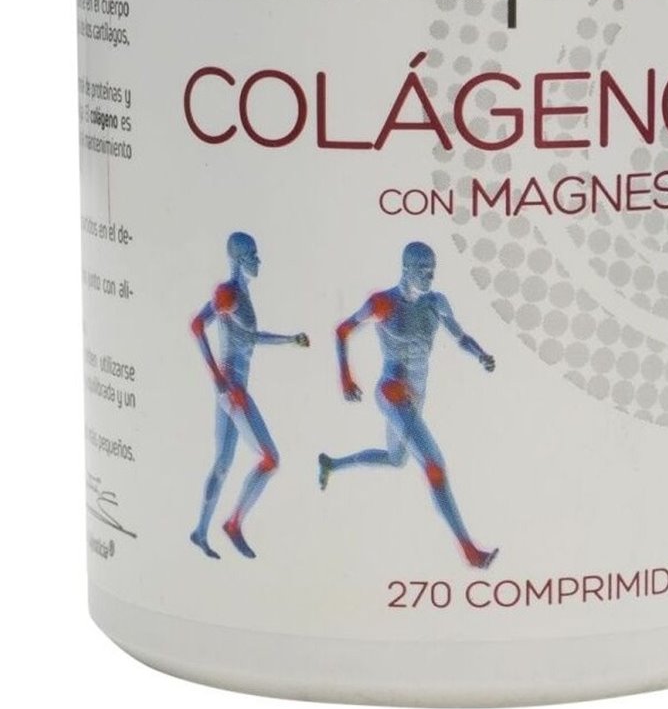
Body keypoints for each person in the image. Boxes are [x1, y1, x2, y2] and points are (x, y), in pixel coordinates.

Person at [319, 241, 498, 568]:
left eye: (433, 269)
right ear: (406, 268)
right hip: (392, 391)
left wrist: (480, 354)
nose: (430, 276)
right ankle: (470, 551)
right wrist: (346, 378)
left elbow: (460, 337)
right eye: (422, 269)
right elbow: (342, 330)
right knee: (434, 464)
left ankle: (332, 464)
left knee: (396, 459)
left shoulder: (436, 303)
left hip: (416, 397)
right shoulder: (383, 303)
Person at [189, 231, 309, 559]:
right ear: (239, 259)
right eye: (253, 255)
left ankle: (200, 531)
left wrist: (289, 340)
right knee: (271, 459)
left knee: (223, 463)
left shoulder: (240, 295)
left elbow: (251, 338)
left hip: (231, 390)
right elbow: (198, 326)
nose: (259, 261)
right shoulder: (228, 293)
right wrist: (217, 377)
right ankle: (233, 523)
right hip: (233, 389)